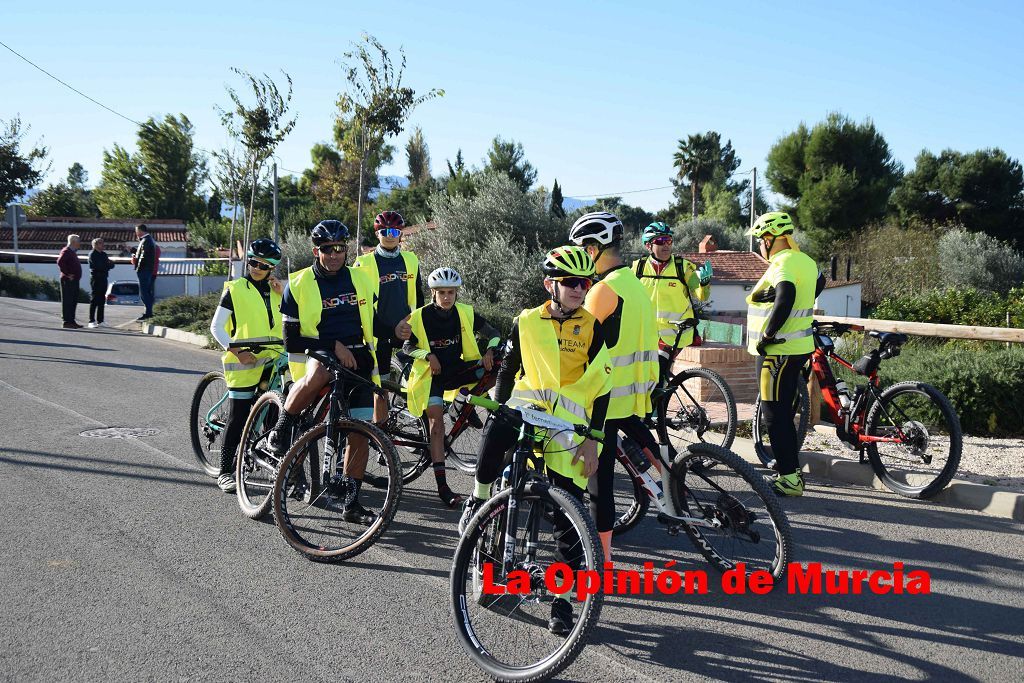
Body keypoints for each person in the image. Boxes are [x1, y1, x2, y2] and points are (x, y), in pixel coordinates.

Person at [460, 245, 611, 635]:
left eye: (585, 282)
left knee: (568, 515)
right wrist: (497, 403)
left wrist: (593, 439)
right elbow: (508, 369)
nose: (580, 289)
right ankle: (478, 499)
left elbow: (603, 387)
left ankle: (562, 603)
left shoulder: (593, 326)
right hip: (527, 408)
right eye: (571, 283)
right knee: (497, 430)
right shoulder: (525, 321)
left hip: (567, 425)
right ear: (550, 285)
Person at [268, 220, 408, 524]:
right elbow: (291, 339)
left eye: (340, 249)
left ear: (347, 250)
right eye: (327, 250)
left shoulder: (360, 279)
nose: (334, 255)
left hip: (359, 359)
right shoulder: (299, 283)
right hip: (317, 351)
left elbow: (374, 320)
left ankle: (351, 501)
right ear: (316, 250)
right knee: (319, 373)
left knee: (359, 431)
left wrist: (395, 329)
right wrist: (334, 345)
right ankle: (283, 424)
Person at [568, 211, 660, 563]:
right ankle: (673, 489)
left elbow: (579, 346)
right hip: (636, 395)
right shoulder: (633, 282)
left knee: (598, 486)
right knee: (652, 458)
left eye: (580, 251)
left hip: (606, 400)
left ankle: (602, 560)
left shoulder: (601, 291)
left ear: (591, 250)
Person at [402, 266, 500, 507]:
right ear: (433, 293)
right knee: (436, 426)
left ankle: (459, 406)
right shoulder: (420, 315)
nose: (447, 297)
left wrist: (490, 349)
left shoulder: (464, 312)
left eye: (451, 292)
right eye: (442, 292)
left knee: (493, 369)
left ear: (457, 293)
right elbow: (406, 347)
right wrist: (426, 355)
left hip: (456, 370)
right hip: (430, 376)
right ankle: (443, 487)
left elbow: (494, 333)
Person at [745, 211, 825, 497]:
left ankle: (789, 478)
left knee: (774, 415)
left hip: (777, 351)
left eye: (759, 241)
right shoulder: (805, 260)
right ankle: (790, 471)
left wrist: (768, 335)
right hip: (797, 348)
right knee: (783, 412)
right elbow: (819, 281)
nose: (759, 247)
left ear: (769, 239)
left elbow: (787, 296)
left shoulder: (783, 263)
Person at [209, 238, 285, 492]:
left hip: (273, 360)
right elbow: (216, 327)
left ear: (272, 268)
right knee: (239, 416)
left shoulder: (277, 290)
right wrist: (237, 351)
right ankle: (225, 470)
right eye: (253, 262)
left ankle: (272, 464)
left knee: (274, 416)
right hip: (243, 359)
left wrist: (282, 294)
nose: (255, 268)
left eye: (263, 266)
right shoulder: (235, 289)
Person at [353, 211, 424, 425]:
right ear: (377, 234)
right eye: (385, 231)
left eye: (395, 231)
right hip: (379, 332)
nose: (390, 235)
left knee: (421, 379)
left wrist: (415, 324)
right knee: (381, 388)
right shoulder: (363, 263)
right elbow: (359, 303)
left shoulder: (411, 259)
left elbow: (418, 297)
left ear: (401, 233)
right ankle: (382, 434)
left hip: (407, 328)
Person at [632, 222, 712, 378]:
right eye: (660, 241)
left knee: (658, 369)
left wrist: (704, 284)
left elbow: (701, 296)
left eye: (669, 240)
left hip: (675, 332)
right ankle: (661, 399)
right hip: (646, 333)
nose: (666, 245)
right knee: (647, 376)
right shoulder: (638, 268)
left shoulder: (682, 267)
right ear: (648, 245)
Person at [87, 238, 115, 328]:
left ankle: (100, 320)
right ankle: (91, 321)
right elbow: (99, 266)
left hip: (103, 278)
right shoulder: (92, 254)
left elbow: (111, 264)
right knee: (94, 299)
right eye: (101, 243)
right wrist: (107, 265)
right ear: (95, 245)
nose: (103, 245)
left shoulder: (103, 254)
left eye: (103, 243)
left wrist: (106, 265)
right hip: (96, 279)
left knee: (102, 300)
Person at [57, 234, 83, 329]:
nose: (79, 244)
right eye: (78, 242)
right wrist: (67, 274)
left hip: (74, 280)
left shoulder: (72, 252)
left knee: (73, 301)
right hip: (68, 280)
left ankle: (71, 321)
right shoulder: (66, 251)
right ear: (73, 242)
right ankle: (67, 321)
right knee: (68, 300)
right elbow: (60, 262)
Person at [133, 223, 157, 320]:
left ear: (140, 231)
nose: (136, 233)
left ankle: (148, 313)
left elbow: (143, 256)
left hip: (144, 270)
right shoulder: (147, 240)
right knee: (147, 291)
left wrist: (138, 267)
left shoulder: (146, 240)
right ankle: (148, 312)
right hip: (147, 269)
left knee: (144, 292)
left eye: (137, 231)